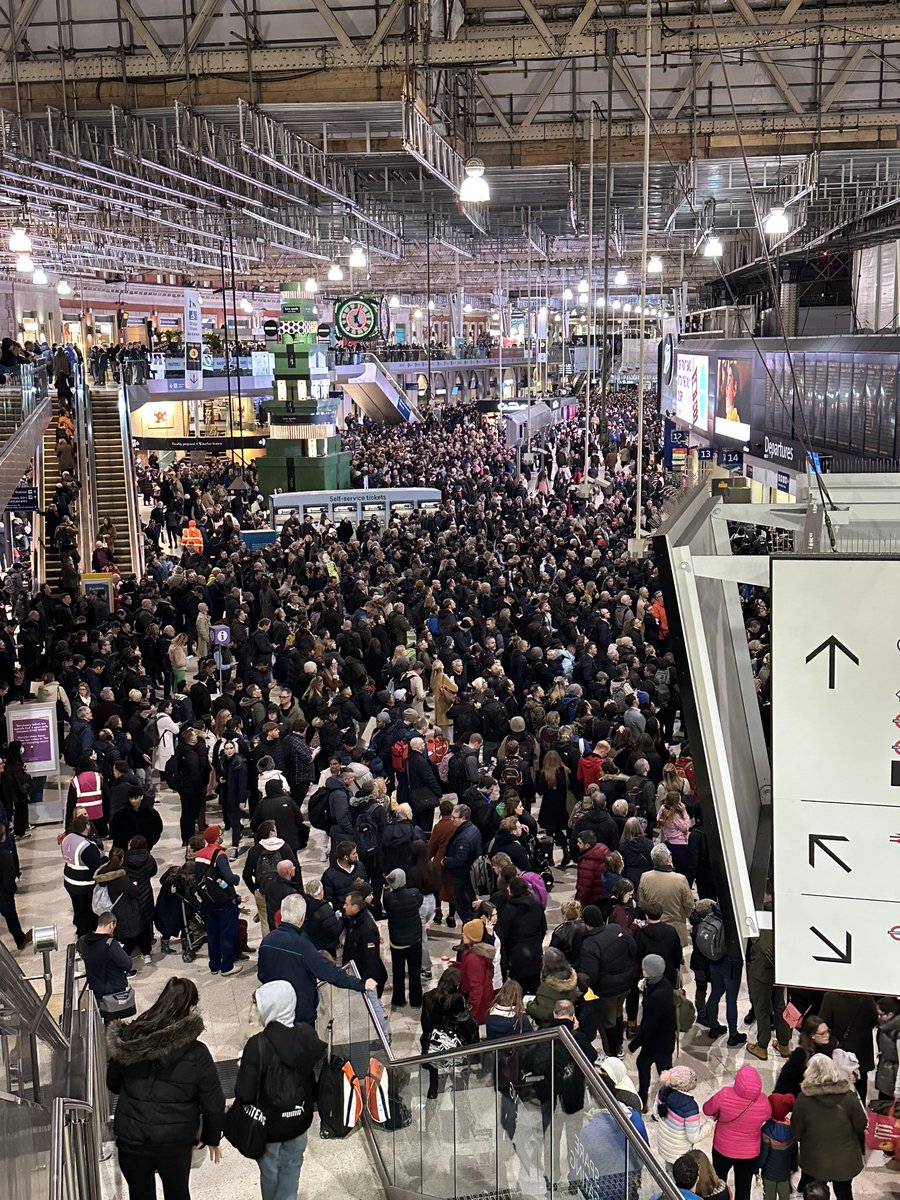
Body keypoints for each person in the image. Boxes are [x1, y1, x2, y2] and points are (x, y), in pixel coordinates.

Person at [107, 977, 226, 1200]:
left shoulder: (129, 1040)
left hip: (131, 1138)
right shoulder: (197, 1053)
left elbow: (112, 1083)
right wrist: (212, 1137)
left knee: (140, 1195)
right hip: (174, 1141)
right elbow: (214, 1102)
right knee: (178, 1192)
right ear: (190, 1008)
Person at [232, 980, 326, 1200]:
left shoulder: (257, 1045)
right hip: (299, 1119)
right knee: (293, 1164)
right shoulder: (307, 1035)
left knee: (270, 1170)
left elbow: (244, 1094)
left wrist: (244, 1067)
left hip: (269, 1126)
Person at [258, 893, 377, 1024]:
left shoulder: (267, 941)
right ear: (302, 917)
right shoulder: (302, 946)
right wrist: (360, 983)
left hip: (273, 1009)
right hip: (300, 1013)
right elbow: (330, 973)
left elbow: (262, 975)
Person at [790, 1053, 866, 1200]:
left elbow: (795, 1132)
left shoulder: (804, 1099)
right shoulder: (848, 1097)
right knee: (844, 1193)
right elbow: (861, 1124)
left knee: (816, 1194)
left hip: (815, 1161)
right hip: (845, 1161)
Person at [702, 1064, 771, 1200]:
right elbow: (767, 1117)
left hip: (722, 1148)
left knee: (718, 1184)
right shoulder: (763, 1101)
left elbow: (706, 1109)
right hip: (749, 1154)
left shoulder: (725, 1094)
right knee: (744, 1189)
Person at [579, 903, 636, 1054]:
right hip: (626, 982)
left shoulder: (589, 944)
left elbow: (591, 974)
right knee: (618, 1013)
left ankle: (613, 1050)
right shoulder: (616, 929)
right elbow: (634, 948)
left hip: (607, 990)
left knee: (609, 1020)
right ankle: (618, 1045)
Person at [193, 826, 243, 977]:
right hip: (222, 900)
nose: (222, 836)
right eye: (220, 834)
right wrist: (236, 879)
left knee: (212, 934)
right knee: (226, 933)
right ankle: (227, 966)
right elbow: (229, 878)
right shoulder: (219, 855)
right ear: (216, 838)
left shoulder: (199, 854)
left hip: (207, 901)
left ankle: (214, 965)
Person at [628, 954, 676, 1110]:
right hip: (666, 1040)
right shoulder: (664, 983)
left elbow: (649, 1026)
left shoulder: (657, 996)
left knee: (647, 1065)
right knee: (664, 1071)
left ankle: (646, 1098)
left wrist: (633, 1045)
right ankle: (663, 1101)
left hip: (657, 1042)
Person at [819, 990, 878, 1104]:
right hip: (861, 1052)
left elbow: (823, 1023)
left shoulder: (830, 997)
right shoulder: (867, 998)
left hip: (839, 1053)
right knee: (860, 1091)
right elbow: (875, 1021)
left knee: (836, 1089)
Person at [77, 910, 134, 1019]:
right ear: (111, 924)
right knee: (114, 1024)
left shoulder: (83, 941)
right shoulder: (110, 944)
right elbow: (127, 964)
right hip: (112, 992)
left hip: (95, 989)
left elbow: (80, 949)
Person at [636, 844, 695, 945]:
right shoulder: (680, 879)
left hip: (653, 926)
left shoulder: (645, 877)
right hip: (676, 926)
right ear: (669, 859)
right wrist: (682, 916)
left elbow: (641, 903)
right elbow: (689, 905)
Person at [497, 875, 546, 994]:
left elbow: (504, 935)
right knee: (535, 987)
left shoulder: (509, 909)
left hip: (516, 956)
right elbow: (543, 927)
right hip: (534, 952)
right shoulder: (536, 904)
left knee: (518, 990)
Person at [383, 868, 424, 1009]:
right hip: (414, 940)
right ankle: (416, 1000)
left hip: (397, 942)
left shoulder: (388, 898)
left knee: (398, 971)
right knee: (414, 971)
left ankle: (399, 999)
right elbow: (419, 901)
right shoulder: (414, 894)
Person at [654, 1066, 709, 1171]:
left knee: (669, 1170)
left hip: (664, 1144)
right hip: (680, 1152)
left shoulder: (663, 1091)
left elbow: (656, 1114)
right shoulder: (690, 1107)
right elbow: (693, 1137)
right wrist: (709, 1124)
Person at [774, 1013, 835, 1097]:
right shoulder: (800, 1054)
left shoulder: (828, 1049)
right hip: (800, 1097)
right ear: (812, 1035)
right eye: (822, 1033)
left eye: (828, 1031)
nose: (827, 1035)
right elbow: (785, 1079)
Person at [341, 890, 387, 997]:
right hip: (353, 968)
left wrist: (367, 983)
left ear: (355, 907)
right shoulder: (353, 918)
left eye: (347, 904)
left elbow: (371, 959)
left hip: (363, 976)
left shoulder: (367, 929)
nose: (344, 906)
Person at [441, 803, 482, 922]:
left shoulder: (464, 837)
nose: (452, 819)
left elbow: (459, 859)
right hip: (470, 875)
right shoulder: (473, 828)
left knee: (464, 909)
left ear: (463, 818)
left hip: (463, 878)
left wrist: (445, 862)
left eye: (455, 817)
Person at [525, 945, 581, 1028]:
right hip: (569, 1022)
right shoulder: (572, 977)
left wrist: (529, 1005)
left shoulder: (547, 988)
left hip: (550, 1027)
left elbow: (543, 1014)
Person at [457, 917, 496, 1025]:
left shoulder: (473, 959)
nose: (462, 935)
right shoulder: (477, 953)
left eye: (465, 934)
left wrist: (471, 1011)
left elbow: (477, 987)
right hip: (483, 999)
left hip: (479, 1005)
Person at [757, 1092, 795, 1200]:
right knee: (784, 1196)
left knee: (769, 1196)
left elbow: (763, 1155)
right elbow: (794, 1154)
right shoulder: (792, 1129)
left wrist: (758, 1167)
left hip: (769, 1173)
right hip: (784, 1172)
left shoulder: (766, 1131)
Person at [0, 822, 30, 949]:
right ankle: (20, 939)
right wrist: (12, 890)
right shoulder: (4, 854)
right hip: (3, 893)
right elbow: (9, 875)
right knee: (11, 915)